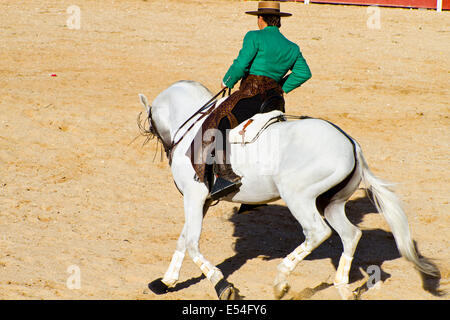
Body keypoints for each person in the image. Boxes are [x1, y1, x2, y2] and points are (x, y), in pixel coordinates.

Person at [191, 1, 312, 200]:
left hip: (251, 95)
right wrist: (281, 87)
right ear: (278, 21)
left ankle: (225, 175)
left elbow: (241, 63)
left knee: (219, 119)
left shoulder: (254, 36)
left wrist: (227, 80)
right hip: (274, 101)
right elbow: (304, 73)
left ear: (260, 19)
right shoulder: (292, 47)